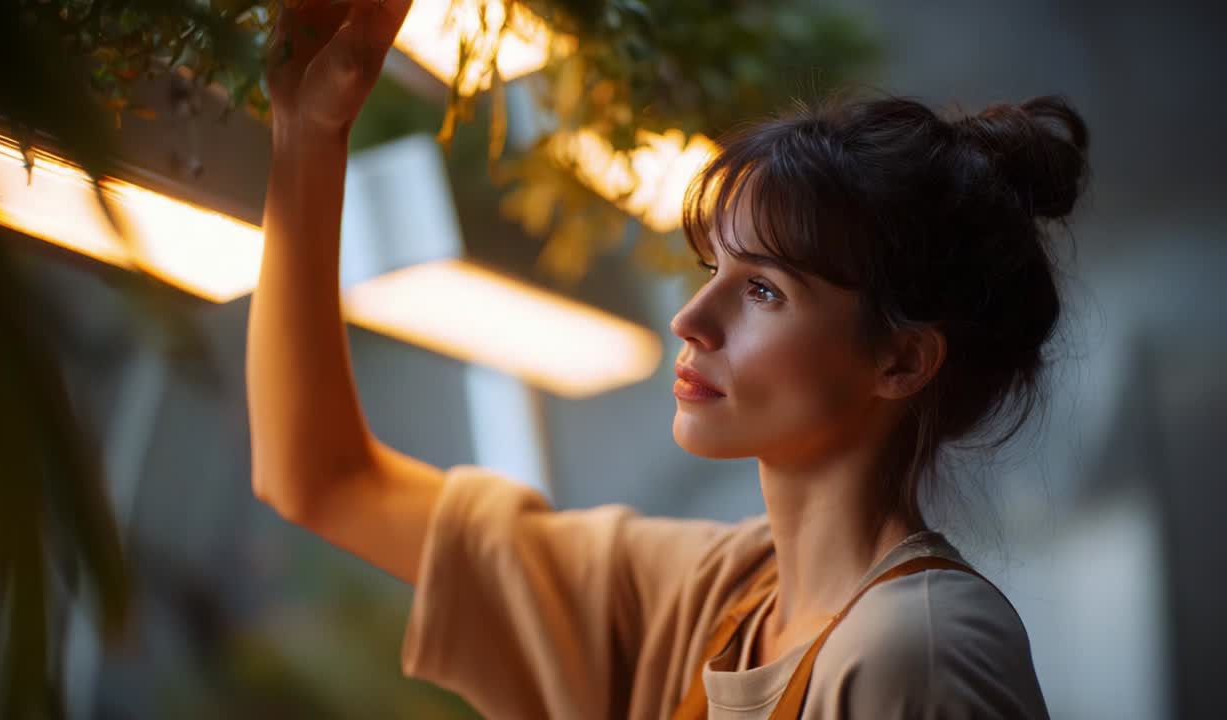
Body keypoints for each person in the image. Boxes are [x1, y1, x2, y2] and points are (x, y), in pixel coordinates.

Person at [246, 1, 1090, 717]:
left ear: (902, 361)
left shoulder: (918, 653)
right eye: (712, 271)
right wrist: (308, 130)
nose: (692, 319)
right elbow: (322, 480)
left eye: (763, 291)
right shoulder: (709, 594)